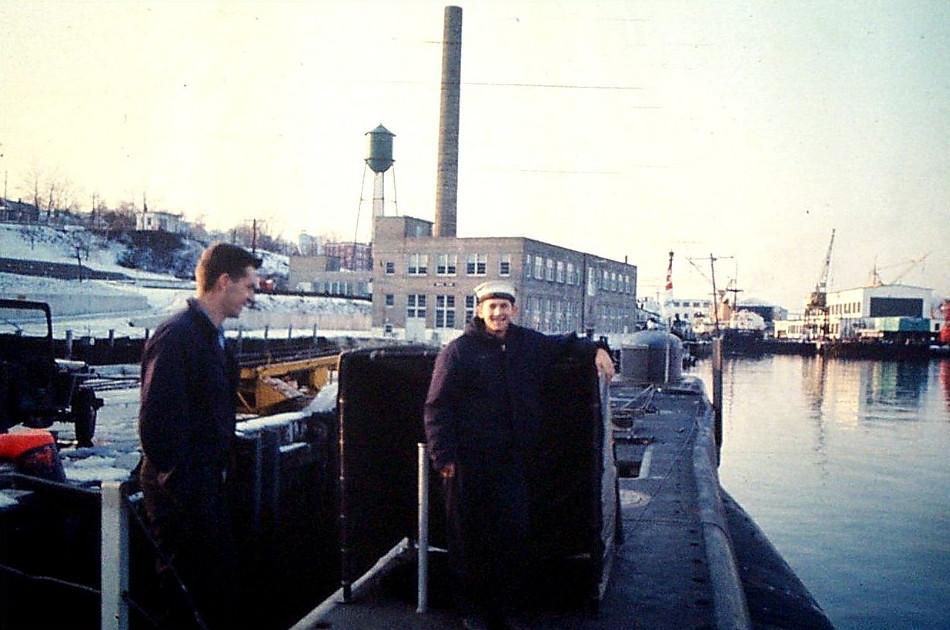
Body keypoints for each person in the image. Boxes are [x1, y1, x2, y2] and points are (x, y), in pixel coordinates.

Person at [424, 280, 615, 630]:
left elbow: (566, 344)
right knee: (469, 539)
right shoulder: (459, 351)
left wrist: (597, 350)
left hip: (511, 461)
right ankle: (473, 611)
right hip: (468, 462)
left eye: (504, 306)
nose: (498, 313)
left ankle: (508, 608)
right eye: (491, 307)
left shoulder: (528, 344)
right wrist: (443, 457)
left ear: (514, 309)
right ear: (480, 311)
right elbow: (438, 407)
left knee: (513, 535)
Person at [138, 242, 261, 630]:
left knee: (215, 594)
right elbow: (156, 427)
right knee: (184, 599)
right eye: (249, 286)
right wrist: (185, 483)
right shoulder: (177, 337)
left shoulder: (211, 338)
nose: (251, 297)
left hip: (205, 486)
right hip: (184, 495)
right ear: (224, 281)